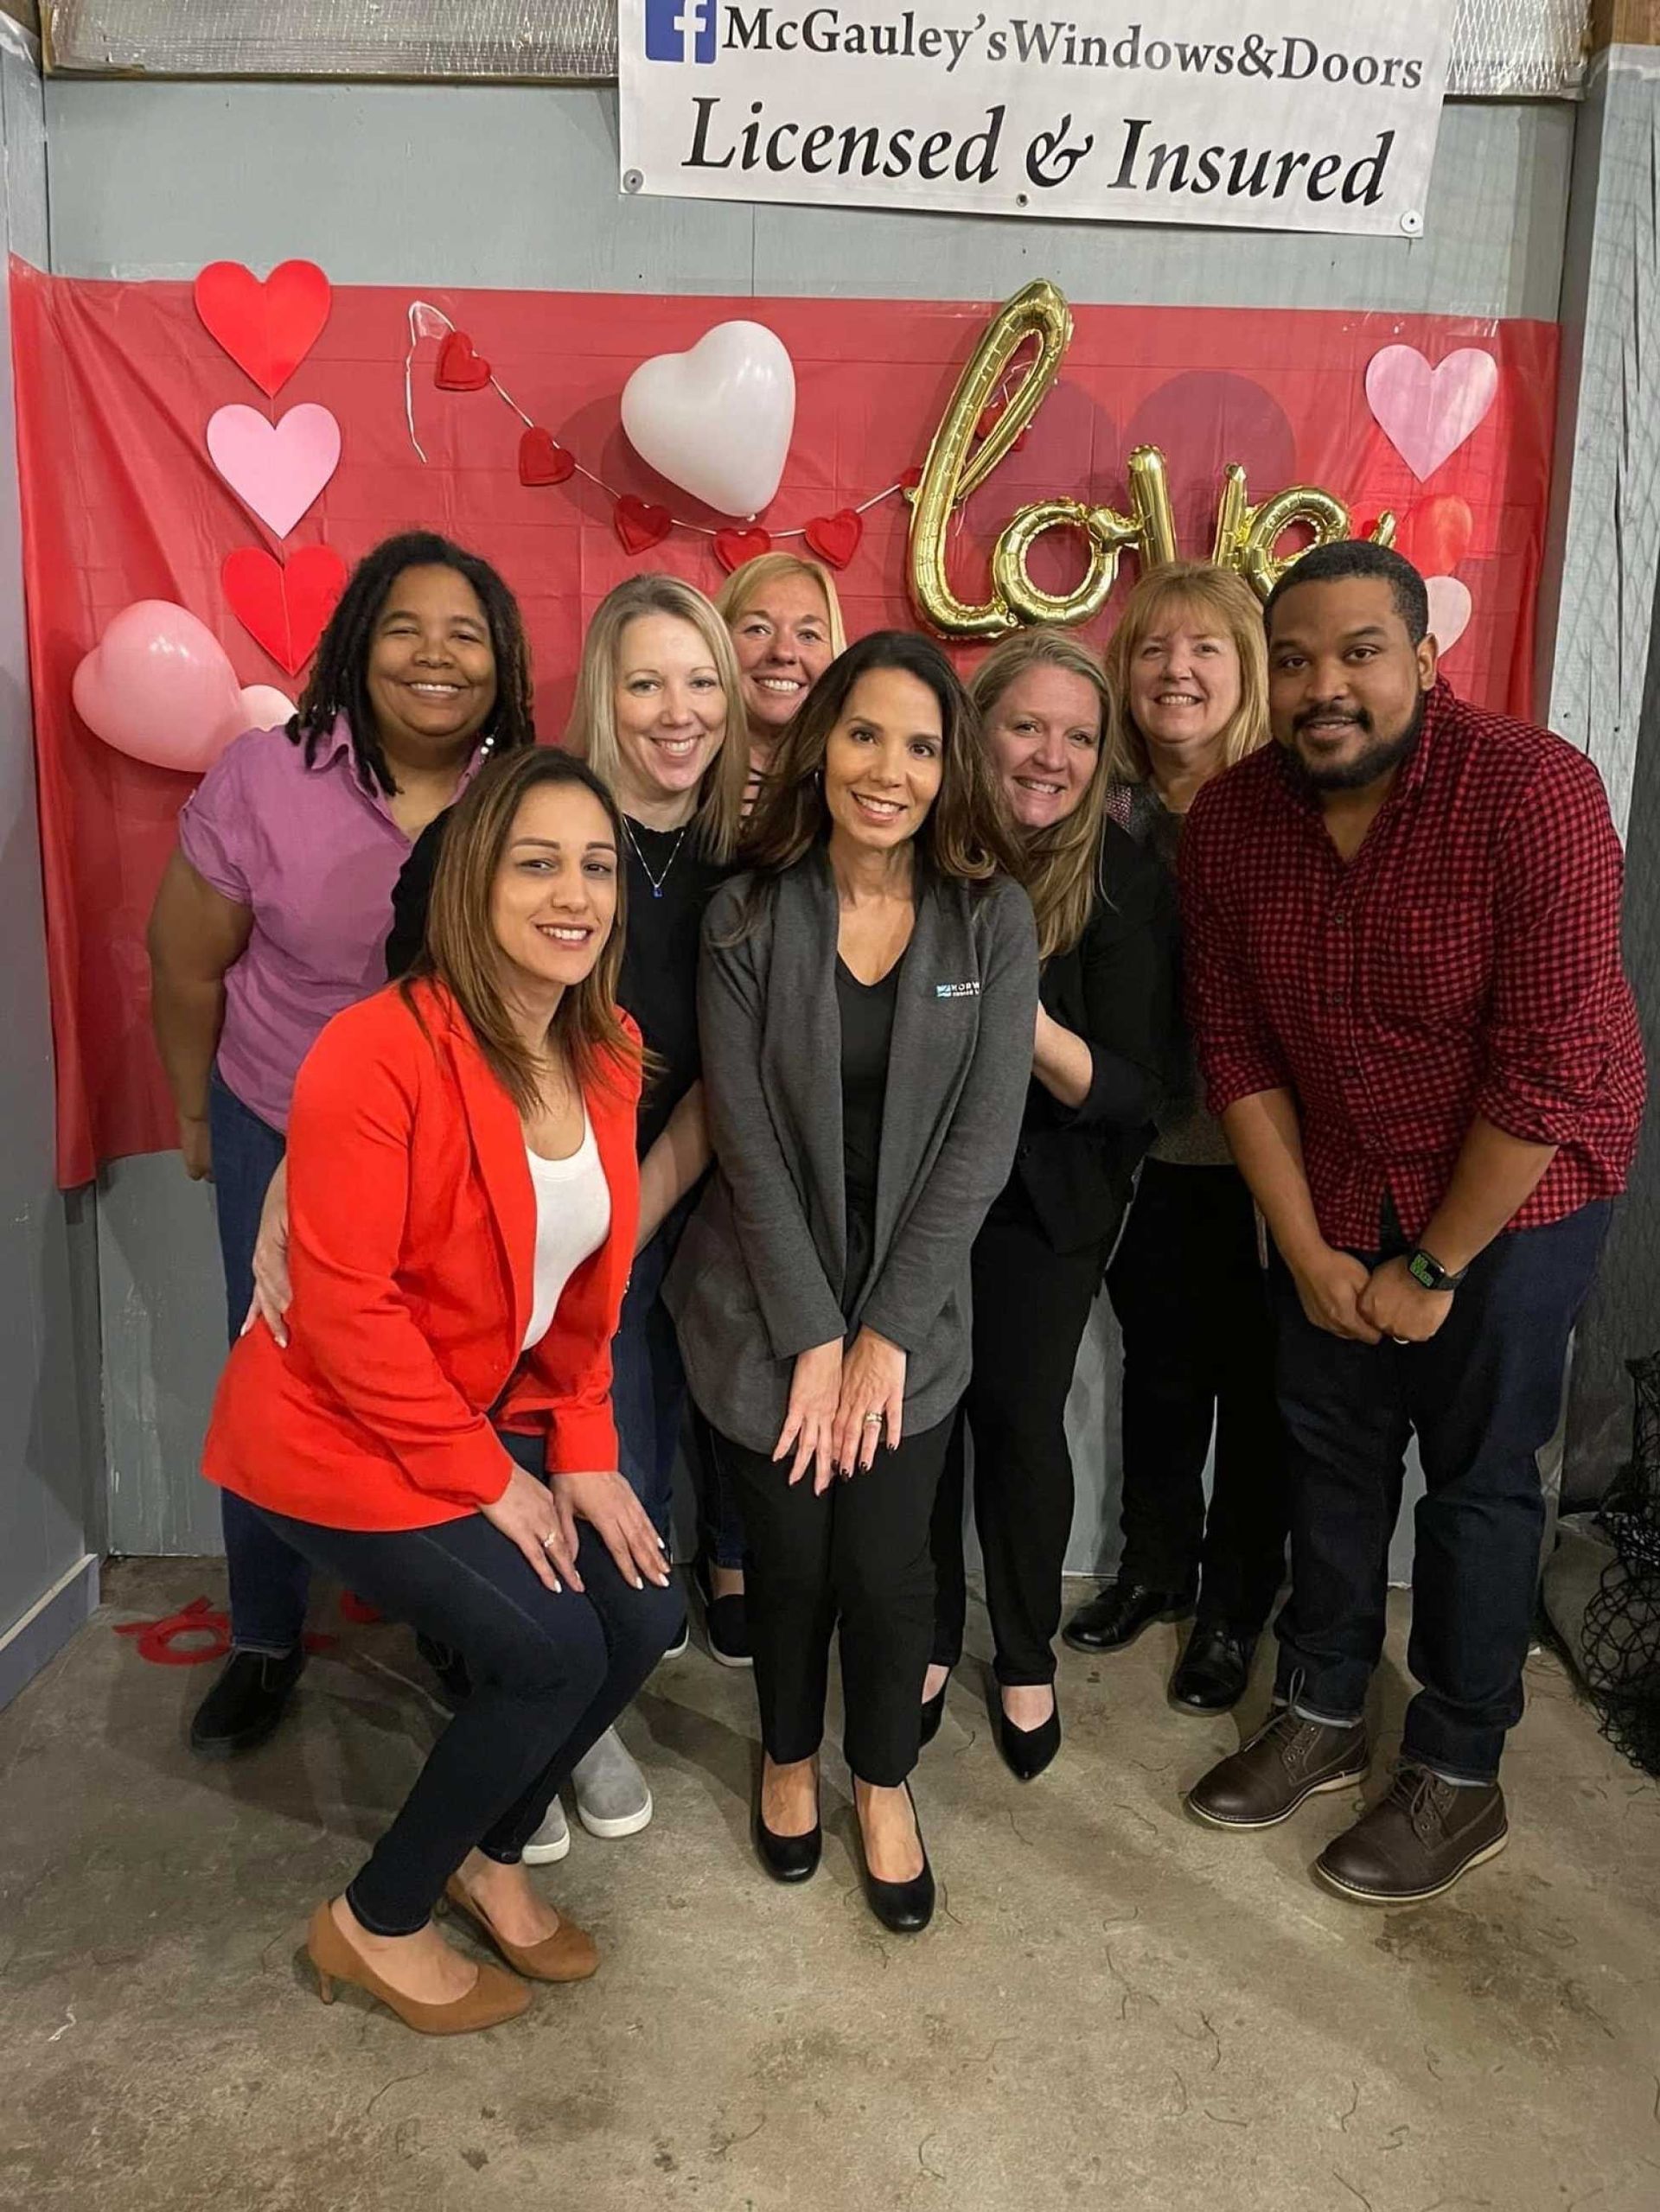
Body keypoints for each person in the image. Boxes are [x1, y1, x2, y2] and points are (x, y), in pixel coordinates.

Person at [1179, 541, 1644, 1904]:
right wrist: (1314, 1249)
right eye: (1298, 658)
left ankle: (1458, 1768)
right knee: (1327, 1448)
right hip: (1334, 1177)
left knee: (1481, 1475)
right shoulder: (1235, 819)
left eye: (1360, 652)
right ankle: (1322, 1707)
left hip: (1526, 1182)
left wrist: (1438, 1262)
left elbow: (1550, 1066)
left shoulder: (1534, 793)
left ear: (1424, 659)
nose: (1327, 685)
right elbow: (1237, 1048)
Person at [202, 747, 682, 2035]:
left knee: (640, 1611)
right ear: (473, 881)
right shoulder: (378, 1048)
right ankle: (375, 1917)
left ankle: (492, 1850)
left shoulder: (611, 1045)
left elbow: (590, 1289)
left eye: (594, 865)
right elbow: (348, 1317)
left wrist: (580, 1444)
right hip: (324, 1424)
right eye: (536, 862)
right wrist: (496, 1478)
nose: (572, 892)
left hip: (464, 1405)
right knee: (545, 1645)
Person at [667, 631, 1038, 1933]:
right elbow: (746, 1136)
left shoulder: (993, 917)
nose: (890, 769)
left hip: (914, 1317)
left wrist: (879, 1329)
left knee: (888, 1572)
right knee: (787, 1558)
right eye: (866, 734)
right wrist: (813, 1333)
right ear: (821, 742)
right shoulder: (748, 913)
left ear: (952, 772)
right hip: (765, 1309)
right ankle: (783, 1753)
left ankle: (880, 1779)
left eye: (923, 746)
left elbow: (984, 1139)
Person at [147, 531, 535, 1763]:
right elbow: (183, 958)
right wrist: (198, 1116)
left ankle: (445, 1608)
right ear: (358, 643)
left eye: (465, 633)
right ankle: (264, 1633)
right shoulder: (266, 777)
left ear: (503, 661)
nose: (436, 655)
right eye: (406, 626)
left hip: (458, 1140)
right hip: (283, 1118)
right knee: (278, 1376)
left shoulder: (522, 788)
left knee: (444, 1373)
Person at [377, 573, 747, 1848]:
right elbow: (417, 1004)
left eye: (701, 679)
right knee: (477, 1462)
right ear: (603, 688)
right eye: (647, 679)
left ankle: (583, 1713)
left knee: (610, 1465)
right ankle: (501, 1687)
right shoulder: (509, 818)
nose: (676, 708)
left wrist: (615, 1229)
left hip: (633, 1230)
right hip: (481, 1210)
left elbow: (722, 1082)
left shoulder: (740, 867)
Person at [925, 628, 1177, 1779]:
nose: (1051, 755)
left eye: (1079, 736)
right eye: (1027, 725)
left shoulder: (1126, 883)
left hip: (1046, 1204)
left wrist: (1021, 1022)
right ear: (976, 731)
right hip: (917, 1195)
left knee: (1018, 1424)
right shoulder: (917, 854)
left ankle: (1022, 1647)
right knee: (913, 1429)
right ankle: (925, 1635)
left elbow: (1137, 1090)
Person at [1063, 562, 1290, 1715]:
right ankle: (1156, 1563)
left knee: (1258, 1390)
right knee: (1159, 1371)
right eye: (1153, 648)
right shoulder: (1102, 807)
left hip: (1267, 1160)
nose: (1176, 671)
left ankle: (1238, 1602)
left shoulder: (1283, 804)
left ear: (1246, 670)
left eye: (1205, 648)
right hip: (1146, 1151)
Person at [686, 554, 849, 1661]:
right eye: (756, 627)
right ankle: (720, 1551)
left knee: (782, 1328)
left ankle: (780, 1552)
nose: (783, 651)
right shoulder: (683, 782)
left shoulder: (859, 782)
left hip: (809, 1125)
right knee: (702, 1341)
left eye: (808, 629)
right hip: (682, 1115)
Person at [714, 551, 846, 813]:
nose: (783, 652)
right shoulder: (675, 775)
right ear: (717, 640)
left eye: (808, 635)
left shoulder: (852, 788)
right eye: (758, 629)